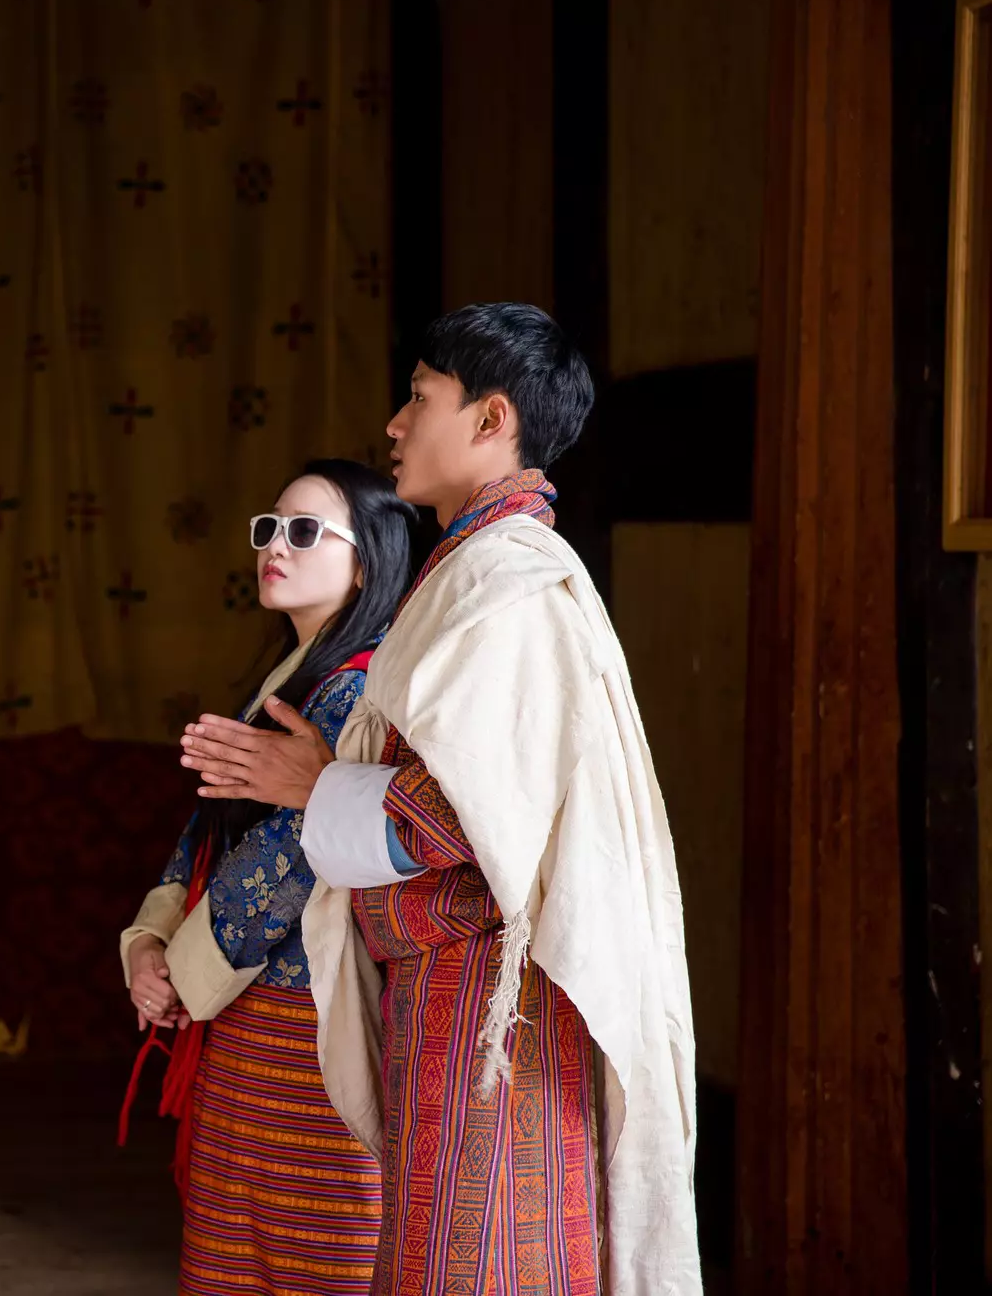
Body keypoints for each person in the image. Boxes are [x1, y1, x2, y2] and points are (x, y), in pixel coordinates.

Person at [179, 304, 699, 1296]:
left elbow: (466, 811)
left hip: (492, 1004)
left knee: (481, 1259)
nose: (394, 424)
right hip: (453, 991)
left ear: (490, 418)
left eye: (419, 397)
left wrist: (308, 782)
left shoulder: (508, 580)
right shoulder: (473, 566)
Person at [120, 458, 414, 1296]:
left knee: (321, 1256)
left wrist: (177, 973)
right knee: (237, 1255)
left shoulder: (360, 692)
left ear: (365, 562)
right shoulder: (288, 680)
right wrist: (147, 944)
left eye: (304, 530)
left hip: (311, 1025)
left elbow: (287, 857)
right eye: (269, 527)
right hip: (245, 1020)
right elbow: (205, 833)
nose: (274, 546)